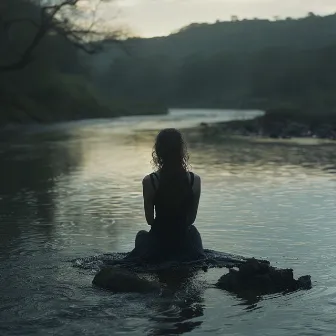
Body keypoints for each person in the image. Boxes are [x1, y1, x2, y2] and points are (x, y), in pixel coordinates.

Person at [126, 128, 205, 262]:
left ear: (158, 152)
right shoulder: (194, 180)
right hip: (183, 242)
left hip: (159, 242)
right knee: (193, 232)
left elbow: (150, 221)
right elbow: (191, 219)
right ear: (181, 151)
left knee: (141, 235)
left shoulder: (150, 181)